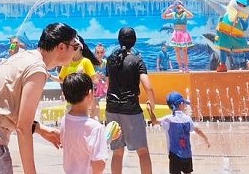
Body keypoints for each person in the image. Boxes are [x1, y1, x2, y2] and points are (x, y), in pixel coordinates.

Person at [0, 23, 76, 174]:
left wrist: (41, 129)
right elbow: (22, 128)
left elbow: (5, 107)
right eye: (75, 45)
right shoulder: (37, 69)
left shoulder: (25, 56)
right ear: (61, 47)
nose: (77, 50)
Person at [105, 27, 157, 174]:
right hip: (131, 110)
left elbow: (109, 85)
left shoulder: (111, 60)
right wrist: (152, 105)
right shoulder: (137, 61)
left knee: (117, 152)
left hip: (112, 108)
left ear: (119, 40)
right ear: (134, 41)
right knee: (143, 151)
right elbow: (148, 87)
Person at [60, 74, 108, 174]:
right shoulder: (96, 128)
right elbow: (99, 165)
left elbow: (79, 146)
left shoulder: (64, 120)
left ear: (64, 95)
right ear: (90, 94)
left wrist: (106, 139)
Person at [159, 92, 209, 174]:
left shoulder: (168, 119)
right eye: (185, 104)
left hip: (174, 154)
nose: (185, 106)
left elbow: (154, 121)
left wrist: (150, 110)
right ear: (181, 104)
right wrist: (205, 138)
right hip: (187, 154)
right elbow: (198, 130)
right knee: (187, 172)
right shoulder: (187, 119)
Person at [161, 2, 194, 72]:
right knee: (177, 51)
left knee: (185, 51)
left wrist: (184, 9)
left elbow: (191, 15)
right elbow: (163, 17)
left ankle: (186, 67)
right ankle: (180, 67)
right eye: (177, 6)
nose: (178, 7)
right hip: (176, 33)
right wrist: (168, 9)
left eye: (179, 6)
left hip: (184, 33)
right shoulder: (174, 14)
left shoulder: (185, 14)